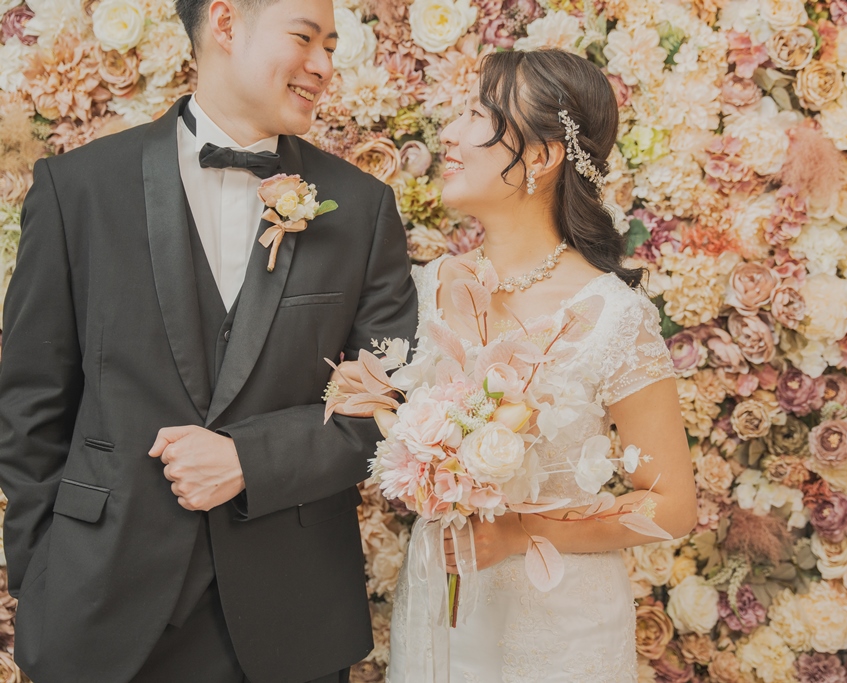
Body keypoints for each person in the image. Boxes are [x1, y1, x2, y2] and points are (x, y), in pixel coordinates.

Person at [0, 0, 417, 680]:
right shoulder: (78, 190)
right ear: (224, 24)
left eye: (333, 47)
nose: (324, 66)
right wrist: (42, 580)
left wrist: (249, 460)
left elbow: (390, 408)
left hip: (291, 619)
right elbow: (29, 409)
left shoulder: (363, 209)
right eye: (306, 38)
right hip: (99, 614)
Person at [385, 49, 698, 683]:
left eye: (477, 114)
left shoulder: (610, 314)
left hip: (557, 631)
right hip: (438, 606)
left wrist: (520, 530)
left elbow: (672, 505)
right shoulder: (427, 287)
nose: (448, 132)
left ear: (541, 156)